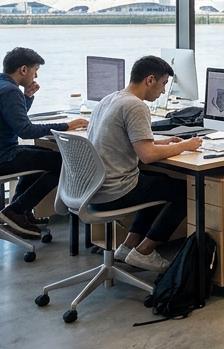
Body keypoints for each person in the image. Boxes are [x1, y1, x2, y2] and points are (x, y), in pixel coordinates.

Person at [87, 56, 202, 272]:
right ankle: (145, 251)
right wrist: (186, 145)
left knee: (160, 182)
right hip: (115, 191)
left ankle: (129, 245)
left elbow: (130, 141)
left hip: (94, 188)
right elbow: (147, 155)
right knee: (186, 191)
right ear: (150, 80)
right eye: (163, 83)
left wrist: (162, 142)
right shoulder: (135, 106)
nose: (163, 91)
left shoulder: (110, 99)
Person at [0, 47, 88, 238]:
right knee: (66, 163)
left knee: (37, 157)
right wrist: (67, 125)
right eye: (35, 70)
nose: (36, 75)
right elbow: (25, 130)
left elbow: (14, 118)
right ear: (23, 70)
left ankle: (19, 211)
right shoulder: (8, 90)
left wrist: (27, 97)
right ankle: (16, 210)